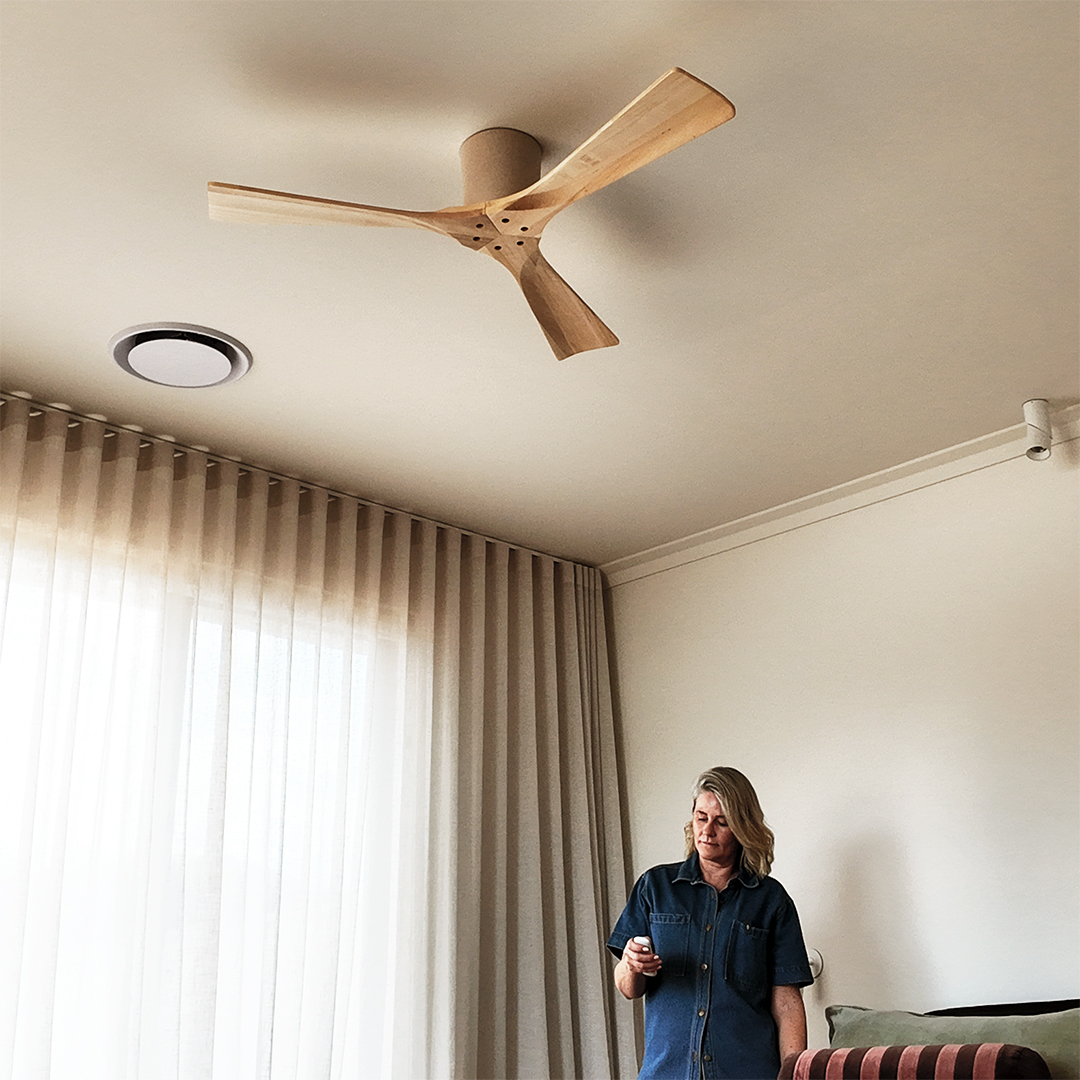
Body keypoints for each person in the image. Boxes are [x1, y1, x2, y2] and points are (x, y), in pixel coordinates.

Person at [608, 767, 812, 1079]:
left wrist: (794, 1074)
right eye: (701, 817)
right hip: (668, 1072)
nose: (707, 831)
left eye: (721, 822)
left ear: (742, 827)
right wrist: (631, 965)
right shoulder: (655, 887)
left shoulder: (771, 900)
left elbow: (786, 1003)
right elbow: (628, 989)